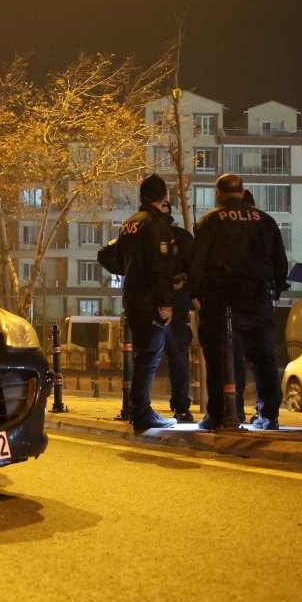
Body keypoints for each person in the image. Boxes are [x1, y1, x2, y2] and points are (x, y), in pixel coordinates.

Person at [188, 173, 289, 430]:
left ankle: (222, 414)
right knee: (264, 358)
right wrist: (276, 289)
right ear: (243, 193)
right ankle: (269, 416)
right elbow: (280, 260)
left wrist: (194, 294)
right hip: (258, 298)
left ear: (218, 194)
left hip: (221, 299)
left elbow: (198, 261)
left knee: (220, 357)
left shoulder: (210, 221)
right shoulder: (265, 220)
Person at [118, 174, 178, 434]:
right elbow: (159, 266)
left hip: (132, 296)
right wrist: (165, 302)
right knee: (149, 357)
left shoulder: (129, 223)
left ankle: (139, 410)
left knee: (142, 355)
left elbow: (118, 260)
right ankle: (142, 413)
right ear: (163, 196)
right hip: (149, 301)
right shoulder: (155, 223)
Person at [160, 200, 195, 422]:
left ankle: (180, 405)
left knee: (177, 358)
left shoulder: (181, 239)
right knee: (150, 358)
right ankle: (138, 406)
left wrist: (182, 280)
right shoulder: (142, 233)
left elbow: (194, 269)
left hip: (173, 304)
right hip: (161, 303)